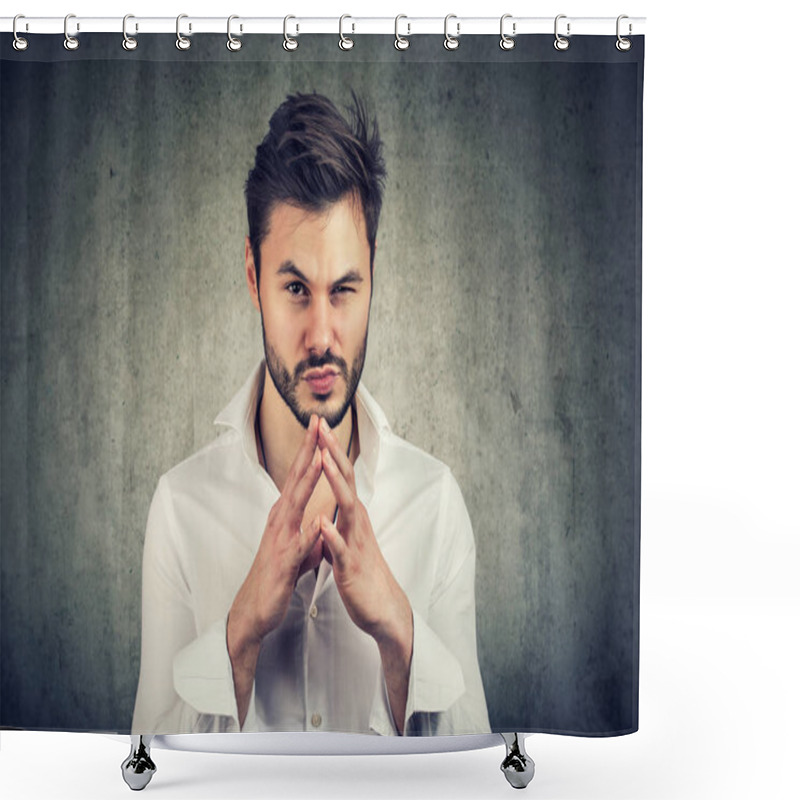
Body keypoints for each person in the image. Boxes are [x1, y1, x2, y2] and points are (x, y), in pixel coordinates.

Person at [132, 92, 490, 736]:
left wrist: (400, 633)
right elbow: (146, 773)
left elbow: (473, 775)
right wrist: (239, 636)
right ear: (252, 276)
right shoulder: (180, 511)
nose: (323, 335)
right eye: (295, 288)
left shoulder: (435, 506)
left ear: (373, 278)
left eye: (344, 290)